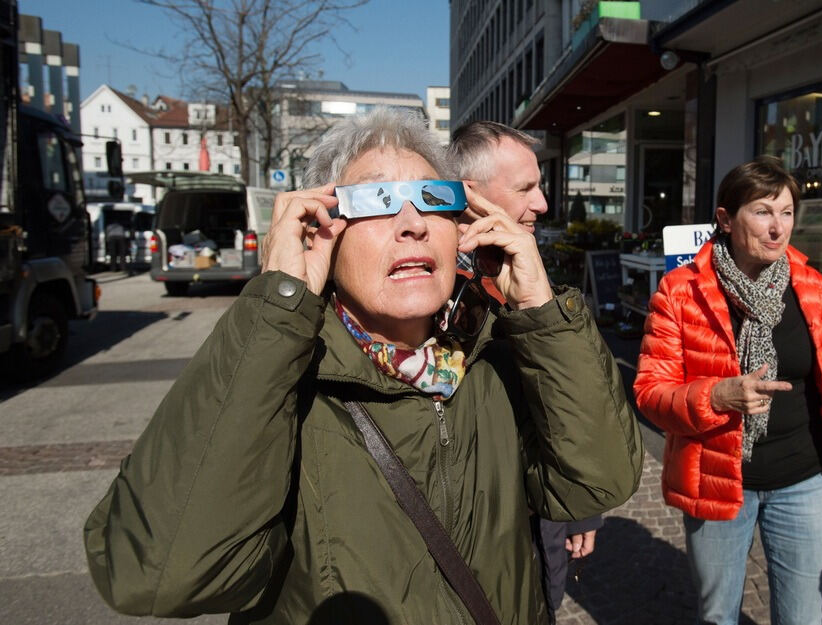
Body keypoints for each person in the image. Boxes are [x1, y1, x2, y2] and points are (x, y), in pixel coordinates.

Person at [84, 107, 643, 625]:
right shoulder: (282, 377)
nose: (412, 223)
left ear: (462, 227)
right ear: (320, 230)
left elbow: (598, 484)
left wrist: (541, 311)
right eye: (376, 200)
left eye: (432, 198)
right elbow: (158, 574)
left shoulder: (495, 356)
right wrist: (274, 312)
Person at [633, 156, 822, 625]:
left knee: (805, 618)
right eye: (763, 211)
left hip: (807, 478)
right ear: (726, 219)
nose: (777, 227)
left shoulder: (813, 287)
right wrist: (717, 396)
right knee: (718, 616)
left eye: (786, 213)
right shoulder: (681, 291)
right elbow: (650, 392)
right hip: (719, 479)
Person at [449, 120, 603, 625]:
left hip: (541, 523)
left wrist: (580, 503)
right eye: (525, 189)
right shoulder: (423, 284)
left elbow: (566, 402)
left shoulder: (523, 267)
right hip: (474, 539)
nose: (542, 203)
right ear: (470, 195)